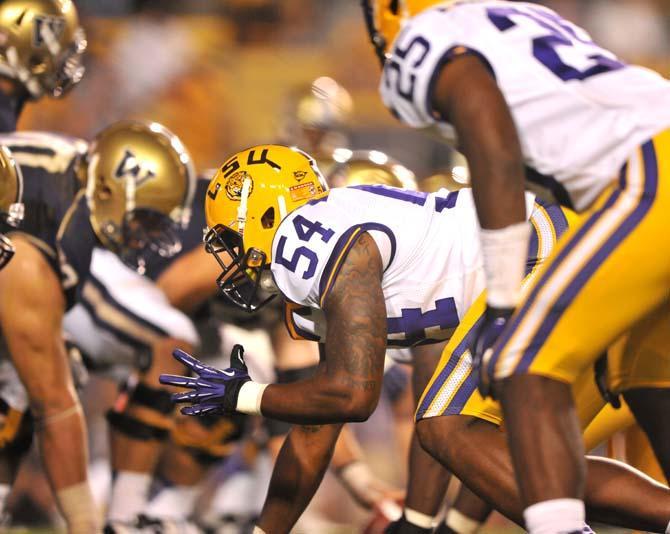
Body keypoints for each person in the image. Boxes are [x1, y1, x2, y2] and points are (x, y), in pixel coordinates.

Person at [160, 144, 670, 534]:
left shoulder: (302, 237)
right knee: (513, 449)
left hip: (544, 256)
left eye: (229, 239)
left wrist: (246, 395)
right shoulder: (340, 282)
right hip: (551, 260)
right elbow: (317, 431)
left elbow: (356, 396)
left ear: (266, 216)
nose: (228, 258)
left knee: (451, 428)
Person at [0, 120, 195, 533]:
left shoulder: (66, 179)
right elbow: (55, 407)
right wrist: (84, 523)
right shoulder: (40, 236)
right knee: (37, 377)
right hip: (21, 266)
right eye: (142, 219)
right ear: (107, 190)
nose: (143, 237)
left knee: (27, 371)